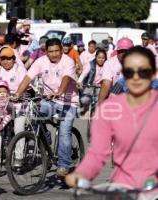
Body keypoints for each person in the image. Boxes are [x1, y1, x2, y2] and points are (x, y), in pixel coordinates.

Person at [66, 46, 158, 188]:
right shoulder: (112, 107)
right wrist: (82, 174)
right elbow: (97, 153)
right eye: (129, 71)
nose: (136, 76)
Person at [14, 38, 78, 175]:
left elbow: (66, 79)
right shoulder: (40, 61)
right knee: (33, 115)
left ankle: (64, 166)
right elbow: (28, 78)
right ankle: (46, 140)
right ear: (46, 52)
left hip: (68, 102)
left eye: (57, 51)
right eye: (51, 51)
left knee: (64, 133)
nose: (54, 54)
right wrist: (17, 94)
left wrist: (60, 92)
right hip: (49, 100)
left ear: (61, 50)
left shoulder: (68, 61)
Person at [0, 46, 27, 167]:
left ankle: (19, 157)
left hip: (18, 105)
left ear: (14, 59)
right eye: (3, 58)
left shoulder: (20, 70)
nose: (6, 61)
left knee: (18, 129)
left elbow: (25, 85)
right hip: (1, 106)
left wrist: (18, 95)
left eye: (9, 58)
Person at [97, 37, 134, 104]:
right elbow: (106, 84)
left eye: (126, 51)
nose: (123, 53)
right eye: (121, 51)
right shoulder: (110, 63)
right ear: (117, 51)